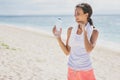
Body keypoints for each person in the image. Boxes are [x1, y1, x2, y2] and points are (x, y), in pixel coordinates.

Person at [52, 3, 99, 80]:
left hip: (86, 71)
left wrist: (84, 32)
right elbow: (67, 52)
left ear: (86, 15)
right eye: (75, 13)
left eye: (78, 13)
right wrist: (58, 37)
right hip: (72, 70)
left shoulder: (94, 31)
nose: (75, 15)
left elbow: (89, 49)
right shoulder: (71, 30)